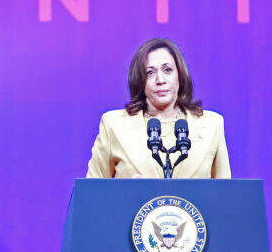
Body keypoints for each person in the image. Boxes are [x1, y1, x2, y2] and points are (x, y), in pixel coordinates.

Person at [86, 37, 231, 179]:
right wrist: (126, 193)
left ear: (179, 75)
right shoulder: (114, 125)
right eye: (150, 73)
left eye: (167, 70)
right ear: (139, 80)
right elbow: (91, 193)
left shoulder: (212, 124)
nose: (160, 80)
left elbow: (225, 195)